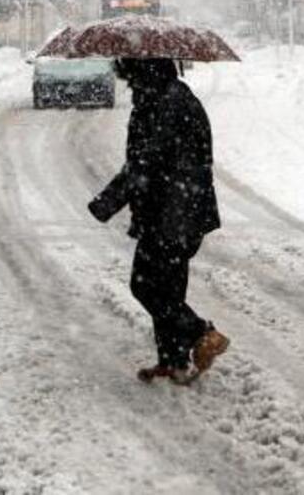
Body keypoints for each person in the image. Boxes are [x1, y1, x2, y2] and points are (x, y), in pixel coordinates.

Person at [88, 58, 229, 385]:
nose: (128, 84)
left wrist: (107, 202)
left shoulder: (165, 104)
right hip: (181, 210)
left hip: (171, 214)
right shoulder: (172, 96)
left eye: (130, 76)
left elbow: (144, 164)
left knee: (145, 285)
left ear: (142, 71)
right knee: (168, 289)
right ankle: (174, 361)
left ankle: (202, 334)